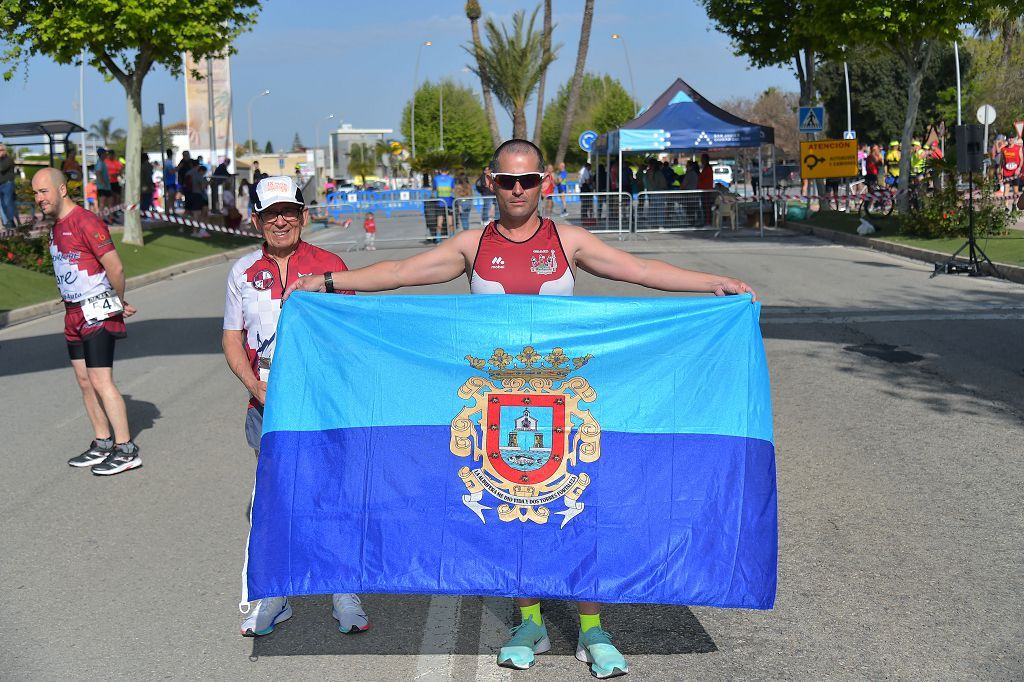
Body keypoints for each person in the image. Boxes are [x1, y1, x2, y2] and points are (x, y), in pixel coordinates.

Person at [285, 139, 756, 679]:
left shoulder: (568, 241)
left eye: (527, 180)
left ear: (544, 184)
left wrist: (712, 284)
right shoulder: (471, 245)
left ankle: (592, 629)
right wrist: (325, 282)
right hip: (495, 408)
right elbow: (396, 273)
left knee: (578, 509)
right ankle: (528, 621)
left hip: (564, 408)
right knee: (517, 514)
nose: (517, 189)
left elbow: (641, 271)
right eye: (507, 180)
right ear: (491, 181)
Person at [221, 175, 370, 638]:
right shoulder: (243, 271)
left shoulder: (329, 265)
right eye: (270, 213)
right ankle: (274, 594)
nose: (280, 220)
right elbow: (231, 338)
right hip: (266, 402)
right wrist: (254, 385)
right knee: (276, 498)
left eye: (288, 211)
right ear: (257, 220)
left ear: (303, 216)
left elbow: (350, 337)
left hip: (323, 402)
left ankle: (343, 590)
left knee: (330, 494)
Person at [32, 168, 141, 475]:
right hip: (72, 313)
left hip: (96, 310)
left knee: (100, 380)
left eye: (44, 191)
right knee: (84, 381)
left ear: (62, 190)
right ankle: (103, 442)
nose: (39, 199)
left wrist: (117, 302)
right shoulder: (56, 226)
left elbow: (115, 268)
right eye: (36, 193)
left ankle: (126, 449)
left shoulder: (85, 221)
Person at [432, 167, 455, 239]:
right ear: (447, 171)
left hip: (439, 202)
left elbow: (434, 188)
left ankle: (438, 238)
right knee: (450, 222)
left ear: (440, 171)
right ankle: (452, 238)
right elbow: (453, 189)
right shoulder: (451, 178)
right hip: (449, 202)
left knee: (439, 222)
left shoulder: (436, 178)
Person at [94, 148, 113, 221]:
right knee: (102, 204)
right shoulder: (99, 163)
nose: (106, 155)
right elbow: (98, 173)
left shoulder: (102, 162)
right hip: (103, 187)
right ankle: (100, 219)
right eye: (105, 153)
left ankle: (110, 218)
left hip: (106, 186)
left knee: (109, 203)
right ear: (102, 154)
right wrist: (102, 182)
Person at [0, 143, 16, 227]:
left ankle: (10, 221)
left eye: (1, 150)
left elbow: (2, 168)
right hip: (1, 184)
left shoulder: (8, 159)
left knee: (7, 203)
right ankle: (8, 222)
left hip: (7, 184)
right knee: (2, 204)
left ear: (5, 150)